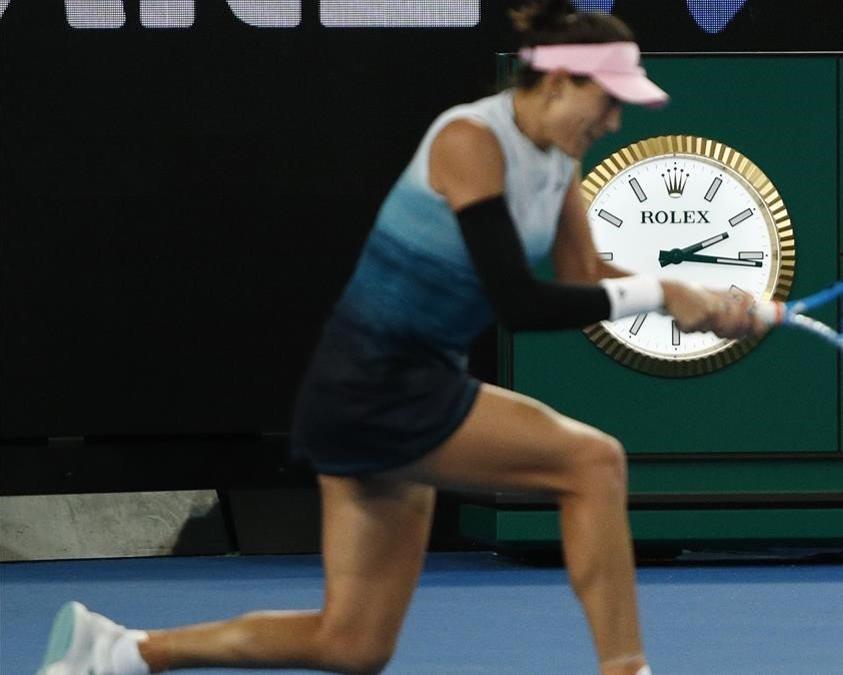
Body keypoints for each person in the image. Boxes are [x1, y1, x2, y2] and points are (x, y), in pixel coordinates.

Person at [38, 1, 761, 673]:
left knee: (352, 642)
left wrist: (701, 304)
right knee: (593, 463)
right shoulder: (469, 140)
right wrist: (662, 292)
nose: (612, 122)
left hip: (402, 387)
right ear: (562, 80)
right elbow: (519, 300)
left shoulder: (559, 161)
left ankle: (122, 650)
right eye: (608, 101)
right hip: (374, 385)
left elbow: (586, 272)